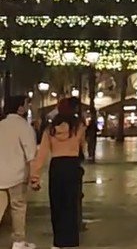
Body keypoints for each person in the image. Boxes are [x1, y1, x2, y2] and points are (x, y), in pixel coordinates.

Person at [31, 97, 85, 249]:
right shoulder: (78, 126)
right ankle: (71, 240)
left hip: (57, 166)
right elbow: (83, 148)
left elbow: (41, 154)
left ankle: (58, 241)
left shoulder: (50, 129)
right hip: (72, 166)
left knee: (57, 204)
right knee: (71, 204)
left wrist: (35, 177)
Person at [0, 95, 38, 249]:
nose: (27, 107)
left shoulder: (1, 125)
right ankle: (19, 241)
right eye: (26, 104)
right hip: (17, 174)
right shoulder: (24, 127)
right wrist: (34, 177)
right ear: (20, 108)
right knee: (18, 208)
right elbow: (31, 154)